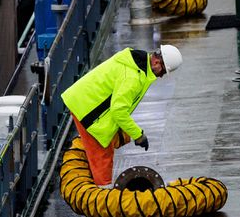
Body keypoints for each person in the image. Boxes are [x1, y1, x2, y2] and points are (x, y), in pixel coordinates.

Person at [62, 45, 182, 186]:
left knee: (122, 134)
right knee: (103, 156)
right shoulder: (133, 77)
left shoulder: (136, 62)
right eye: (163, 72)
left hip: (84, 101)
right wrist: (139, 135)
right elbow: (118, 111)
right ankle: (103, 196)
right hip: (87, 111)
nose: (161, 76)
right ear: (156, 63)